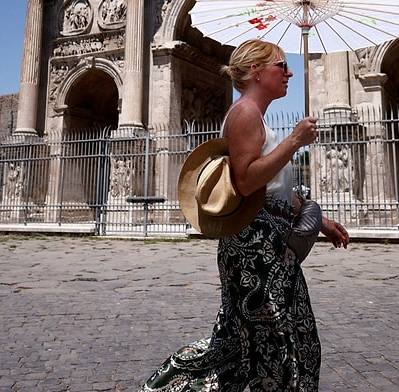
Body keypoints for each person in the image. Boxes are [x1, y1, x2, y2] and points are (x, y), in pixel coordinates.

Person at [139, 39, 350, 392]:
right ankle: (172, 382)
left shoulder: (257, 117)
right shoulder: (244, 114)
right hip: (254, 250)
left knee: (283, 342)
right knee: (272, 344)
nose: (290, 72)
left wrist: (322, 222)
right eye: (281, 65)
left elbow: (274, 189)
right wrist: (294, 142)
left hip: (271, 247)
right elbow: (246, 181)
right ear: (256, 70)